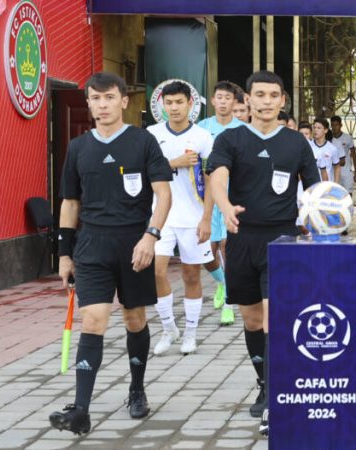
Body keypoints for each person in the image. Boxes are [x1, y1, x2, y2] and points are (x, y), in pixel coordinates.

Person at [49, 72, 173, 434]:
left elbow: (163, 194)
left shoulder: (143, 142)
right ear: (87, 103)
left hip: (135, 244)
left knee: (134, 318)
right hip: (92, 246)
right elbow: (70, 202)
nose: (101, 105)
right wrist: (64, 254)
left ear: (123, 101)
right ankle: (81, 410)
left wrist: (151, 236)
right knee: (93, 320)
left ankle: (136, 389)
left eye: (108, 98)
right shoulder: (78, 148)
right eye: (94, 99)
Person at [207, 70, 320, 436]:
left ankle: (275, 400)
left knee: (274, 319)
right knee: (253, 321)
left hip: (283, 240)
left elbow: (316, 189)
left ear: (283, 100)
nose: (267, 101)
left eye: (274, 95)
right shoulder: (231, 138)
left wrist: (319, 220)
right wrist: (224, 206)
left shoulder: (296, 144)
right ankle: (265, 383)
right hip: (241, 238)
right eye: (260, 95)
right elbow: (218, 176)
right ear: (249, 100)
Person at [147, 81, 216, 355]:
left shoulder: (202, 137)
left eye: (179, 102)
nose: (174, 108)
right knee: (156, 271)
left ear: (190, 104)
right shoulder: (151, 134)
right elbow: (143, 172)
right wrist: (175, 163)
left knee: (191, 275)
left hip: (193, 217)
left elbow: (212, 180)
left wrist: (207, 218)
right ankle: (168, 328)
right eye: (169, 103)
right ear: (162, 105)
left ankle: (190, 333)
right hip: (160, 216)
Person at [197, 81, 246, 325]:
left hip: (232, 198)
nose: (224, 101)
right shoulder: (202, 128)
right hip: (206, 198)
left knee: (228, 246)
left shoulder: (242, 130)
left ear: (235, 102)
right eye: (220, 97)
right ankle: (222, 282)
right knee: (207, 252)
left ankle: (228, 301)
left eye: (228, 97)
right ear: (213, 101)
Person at [330, 115, 356, 194]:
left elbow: (354, 154)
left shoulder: (348, 138)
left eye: (336, 125)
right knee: (335, 194)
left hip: (346, 171)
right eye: (332, 125)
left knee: (348, 193)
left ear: (340, 125)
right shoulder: (328, 139)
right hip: (333, 171)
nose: (334, 127)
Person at [311, 118, 341, 182]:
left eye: (319, 128)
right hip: (311, 186)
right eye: (314, 127)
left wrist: (336, 184)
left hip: (327, 186)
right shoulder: (308, 146)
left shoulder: (332, 148)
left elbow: (337, 167)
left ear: (325, 130)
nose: (315, 130)